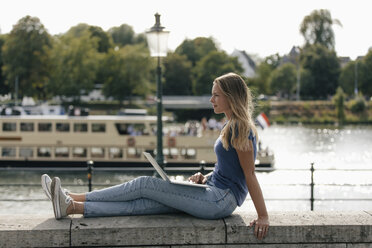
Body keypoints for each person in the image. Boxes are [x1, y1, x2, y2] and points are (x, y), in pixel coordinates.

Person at [41, 72, 269, 240]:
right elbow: (229, 170)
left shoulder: (240, 127)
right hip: (213, 193)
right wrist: (205, 177)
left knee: (143, 184)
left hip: (220, 200)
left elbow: (249, 175)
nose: (211, 100)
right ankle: (71, 206)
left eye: (216, 95)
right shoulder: (230, 125)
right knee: (143, 205)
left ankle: (72, 196)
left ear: (231, 97)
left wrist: (263, 216)